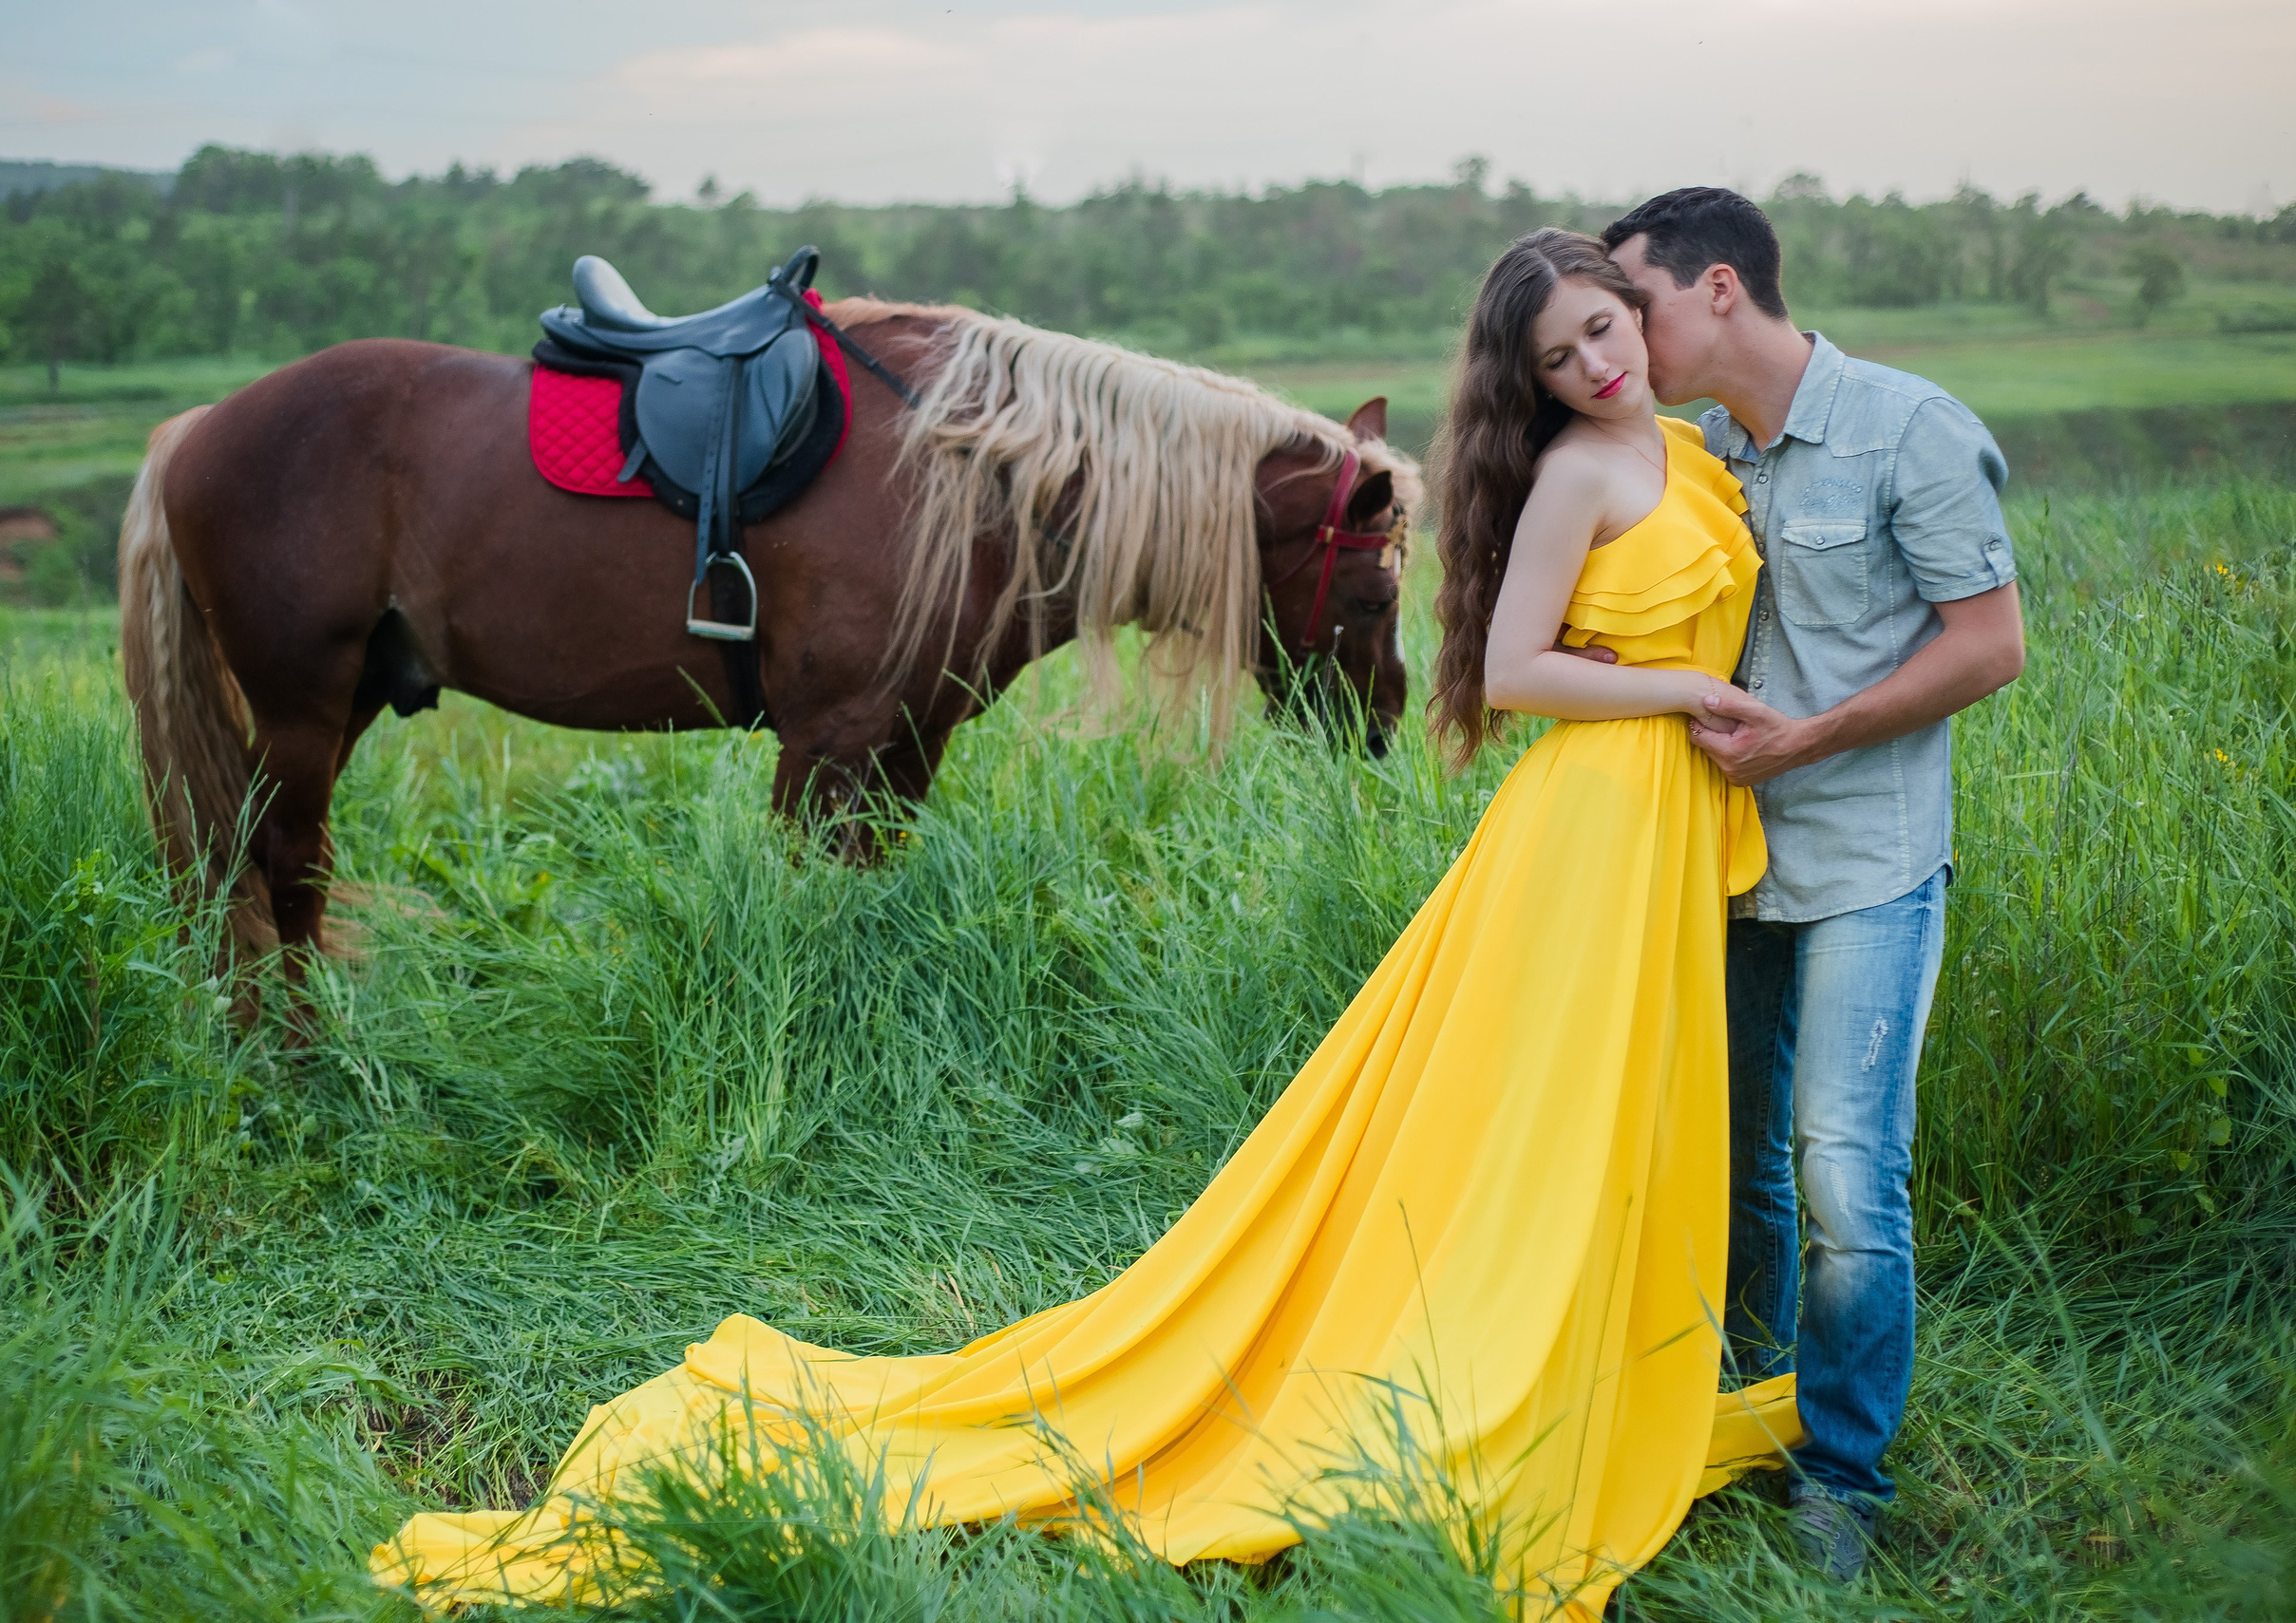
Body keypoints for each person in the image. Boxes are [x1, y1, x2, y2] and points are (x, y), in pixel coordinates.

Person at [373, 230, 1797, 1620]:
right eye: (1563, 351)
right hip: (1608, 811)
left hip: (1669, 828)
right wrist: (1677, 690)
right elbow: (1523, 663)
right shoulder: (1579, 473)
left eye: (1607, 329)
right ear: (1535, 373)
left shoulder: (1690, 450)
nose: (1599, 361)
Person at [1594, 187, 2026, 1581]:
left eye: (1636, 302)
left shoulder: (1914, 430)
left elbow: (1989, 646)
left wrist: (1810, 735)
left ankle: (1841, 1475)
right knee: (1735, 1165)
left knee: (1847, 1173)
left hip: (1868, 868)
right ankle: (1744, 1413)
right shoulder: (1691, 452)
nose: (1623, 334)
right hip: (1725, 865)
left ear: (1718, 290)